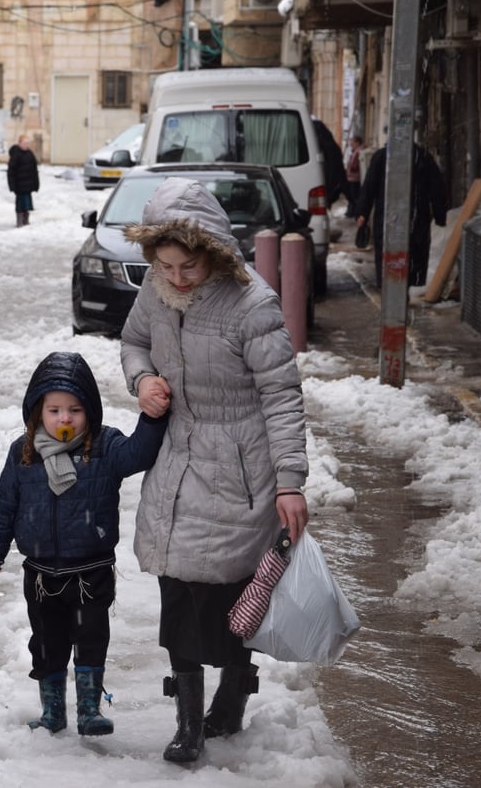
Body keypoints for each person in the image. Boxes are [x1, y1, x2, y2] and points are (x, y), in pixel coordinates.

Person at [118, 177, 310, 764]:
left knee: (229, 597)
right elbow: (133, 343)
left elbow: (281, 394)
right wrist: (142, 380)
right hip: (176, 460)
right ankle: (187, 723)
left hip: (237, 468)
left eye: (189, 266)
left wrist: (289, 482)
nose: (177, 278)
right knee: (175, 587)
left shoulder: (253, 304)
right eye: (166, 266)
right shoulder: (156, 290)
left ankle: (230, 695)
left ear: (215, 253)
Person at [0, 351, 168, 737]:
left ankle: (88, 711)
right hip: (41, 575)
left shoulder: (103, 447)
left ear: (90, 412)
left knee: (91, 639)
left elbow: (140, 454)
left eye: (75, 409)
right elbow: (4, 503)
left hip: (90, 572)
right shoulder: (23, 453)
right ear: (37, 413)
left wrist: (152, 417)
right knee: (47, 645)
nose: (65, 419)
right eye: (54, 410)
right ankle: (52, 712)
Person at [353, 141, 448, 287]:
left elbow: (369, 187)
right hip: (414, 219)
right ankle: (398, 290)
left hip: (392, 219)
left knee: (394, 257)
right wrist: (439, 215)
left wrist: (362, 213)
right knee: (409, 257)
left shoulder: (385, 156)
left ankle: (394, 289)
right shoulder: (420, 157)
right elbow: (437, 189)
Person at [7, 135, 40, 227]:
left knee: (27, 204)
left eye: (28, 143)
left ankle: (26, 220)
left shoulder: (30, 154)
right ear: (20, 143)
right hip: (19, 186)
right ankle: (19, 221)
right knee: (20, 204)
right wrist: (12, 185)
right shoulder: (16, 155)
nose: (26, 145)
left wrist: (36, 184)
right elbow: (11, 171)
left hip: (28, 185)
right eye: (25, 143)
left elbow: (34, 171)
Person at [343, 135, 365, 217]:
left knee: (353, 196)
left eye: (353, 141)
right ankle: (351, 212)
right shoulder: (355, 151)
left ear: (357, 142)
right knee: (353, 196)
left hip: (355, 179)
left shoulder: (358, 151)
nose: (351, 143)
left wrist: (348, 168)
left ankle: (353, 212)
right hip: (353, 178)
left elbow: (354, 166)